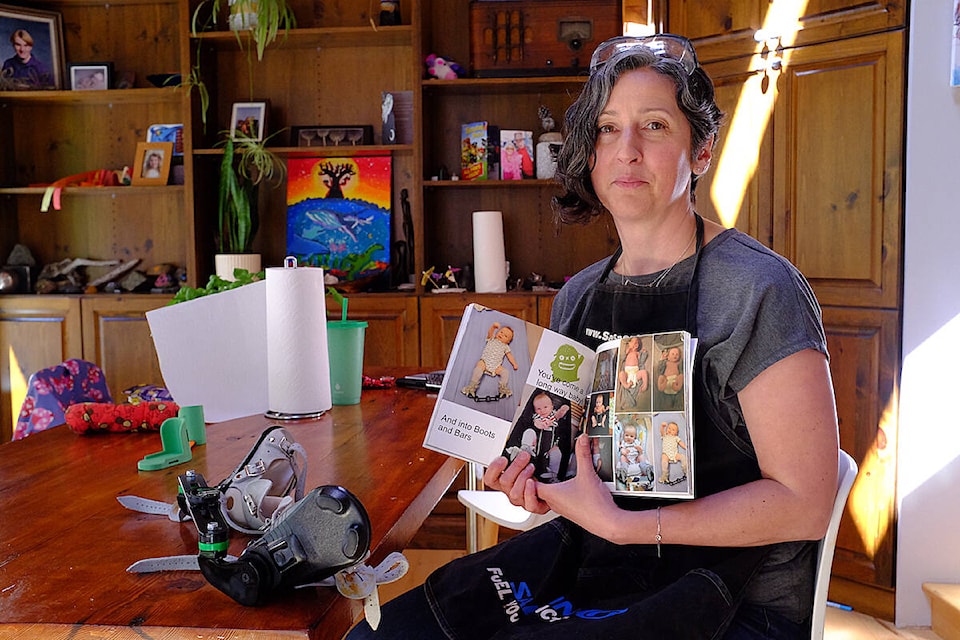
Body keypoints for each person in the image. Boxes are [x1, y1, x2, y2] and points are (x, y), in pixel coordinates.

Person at [347, 33, 838, 640]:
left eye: (654, 126)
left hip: (732, 599)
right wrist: (537, 483)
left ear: (702, 148)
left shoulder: (756, 289)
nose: (626, 150)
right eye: (608, 128)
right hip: (597, 563)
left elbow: (806, 501)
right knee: (390, 632)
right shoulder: (580, 295)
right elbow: (582, 469)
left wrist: (631, 526)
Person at [504, 390, 572, 483]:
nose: (542, 410)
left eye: (545, 407)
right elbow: (528, 420)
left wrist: (562, 410)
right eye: (538, 409)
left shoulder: (554, 415)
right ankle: (523, 450)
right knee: (529, 432)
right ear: (535, 410)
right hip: (535, 445)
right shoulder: (537, 417)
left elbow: (562, 411)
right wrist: (536, 423)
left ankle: (553, 474)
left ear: (552, 407)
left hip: (550, 446)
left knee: (557, 454)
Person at [461, 321, 518, 399]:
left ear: (508, 342)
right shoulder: (492, 339)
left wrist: (514, 364)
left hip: (496, 366)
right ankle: (472, 386)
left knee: (505, 372)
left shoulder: (505, 347)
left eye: (506, 336)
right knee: (479, 367)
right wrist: (493, 327)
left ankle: (503, 388)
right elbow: (490, 332)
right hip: (484, 361)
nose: (502, 335)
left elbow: (510, 356)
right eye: (501, 332)